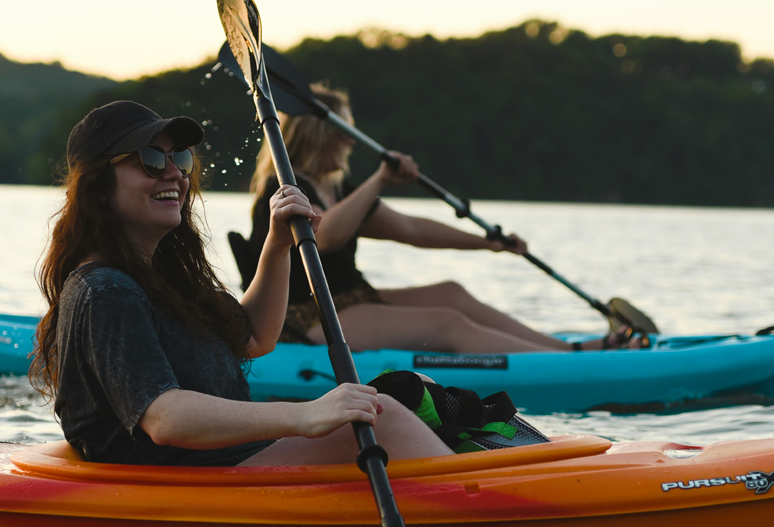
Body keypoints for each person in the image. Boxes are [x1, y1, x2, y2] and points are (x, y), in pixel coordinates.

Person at [30, 101, 454, 467]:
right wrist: (305, 415)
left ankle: (498, 472)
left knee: (414, 389)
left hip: (225, 460)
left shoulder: (162, 278)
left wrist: (276, 245)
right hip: (180, 480)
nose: (174, 174)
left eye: (179, 159)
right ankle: (493, 507)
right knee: (387, 416)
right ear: (99, 188)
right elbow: (164, 417)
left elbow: (254, 337)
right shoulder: (105, 290)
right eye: (150, 161)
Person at [247, 85, 639, 353]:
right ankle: (567, 363)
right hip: (306, 318)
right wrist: (381, 178)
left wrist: (489, 243)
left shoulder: (342, 189)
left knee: (451, 292)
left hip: (351, 300)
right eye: (345, 131)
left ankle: (569, 350)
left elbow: (412, 229)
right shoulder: (281, 191)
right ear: (319, 134)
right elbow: (324, 235)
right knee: (446, 322)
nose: (352, 140)